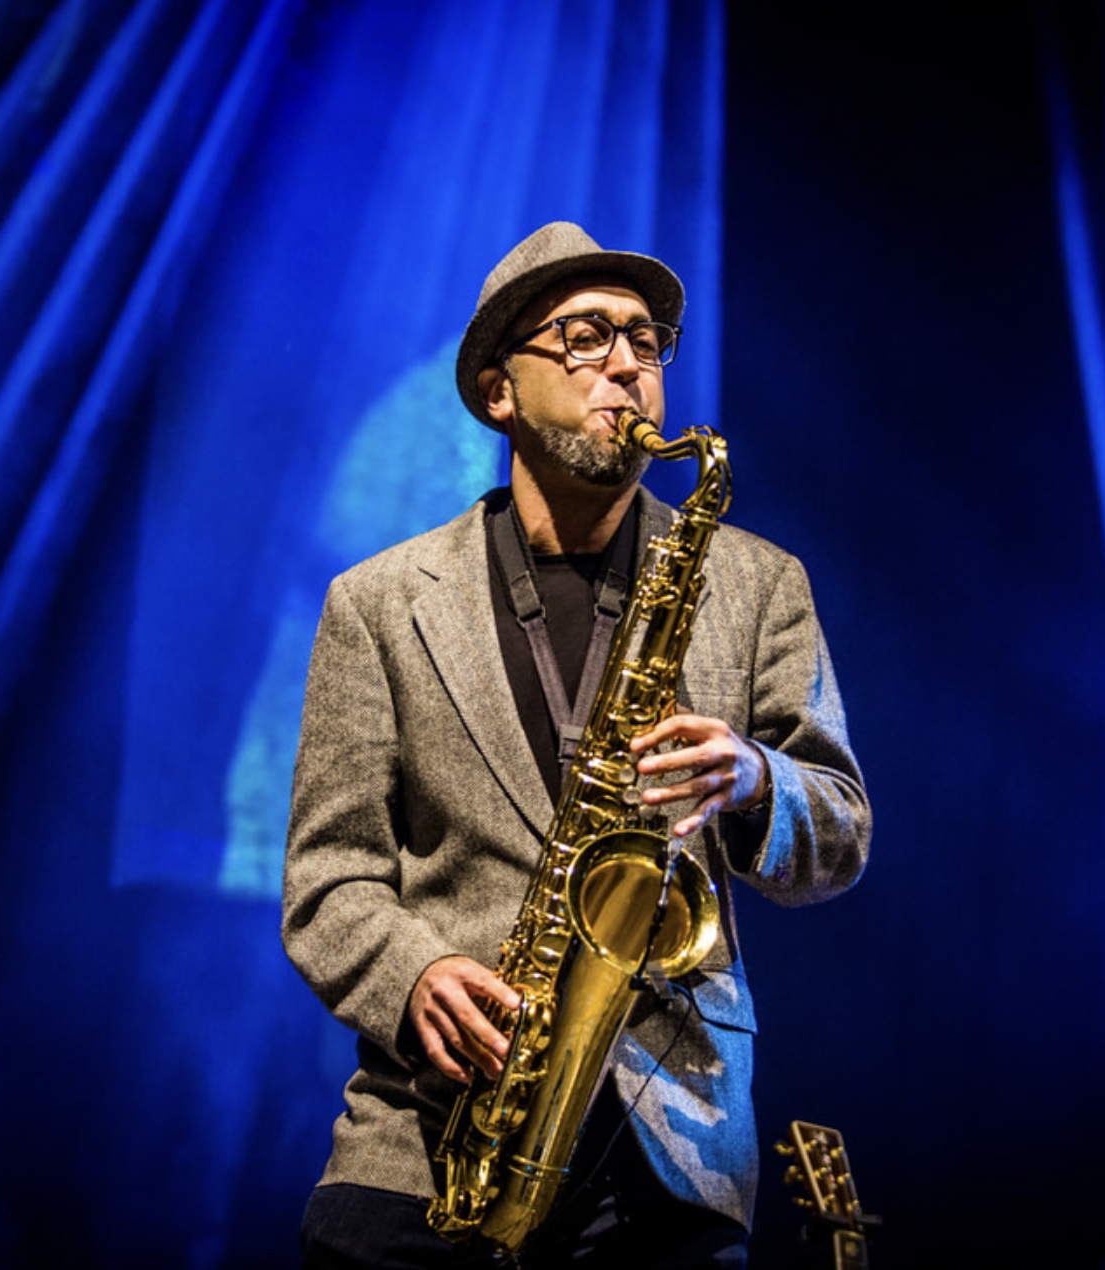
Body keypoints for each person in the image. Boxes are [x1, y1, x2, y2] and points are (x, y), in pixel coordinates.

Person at [281, 221, 871, 1268]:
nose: (626, 366)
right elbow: (329, 879)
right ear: (499, 390)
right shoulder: (373, 603)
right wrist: (414, 975)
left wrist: (752, 779)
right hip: (432, 1148)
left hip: (670, 1152)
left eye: (646, 342)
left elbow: (840, 830)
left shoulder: (757, 583)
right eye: (586, 336)